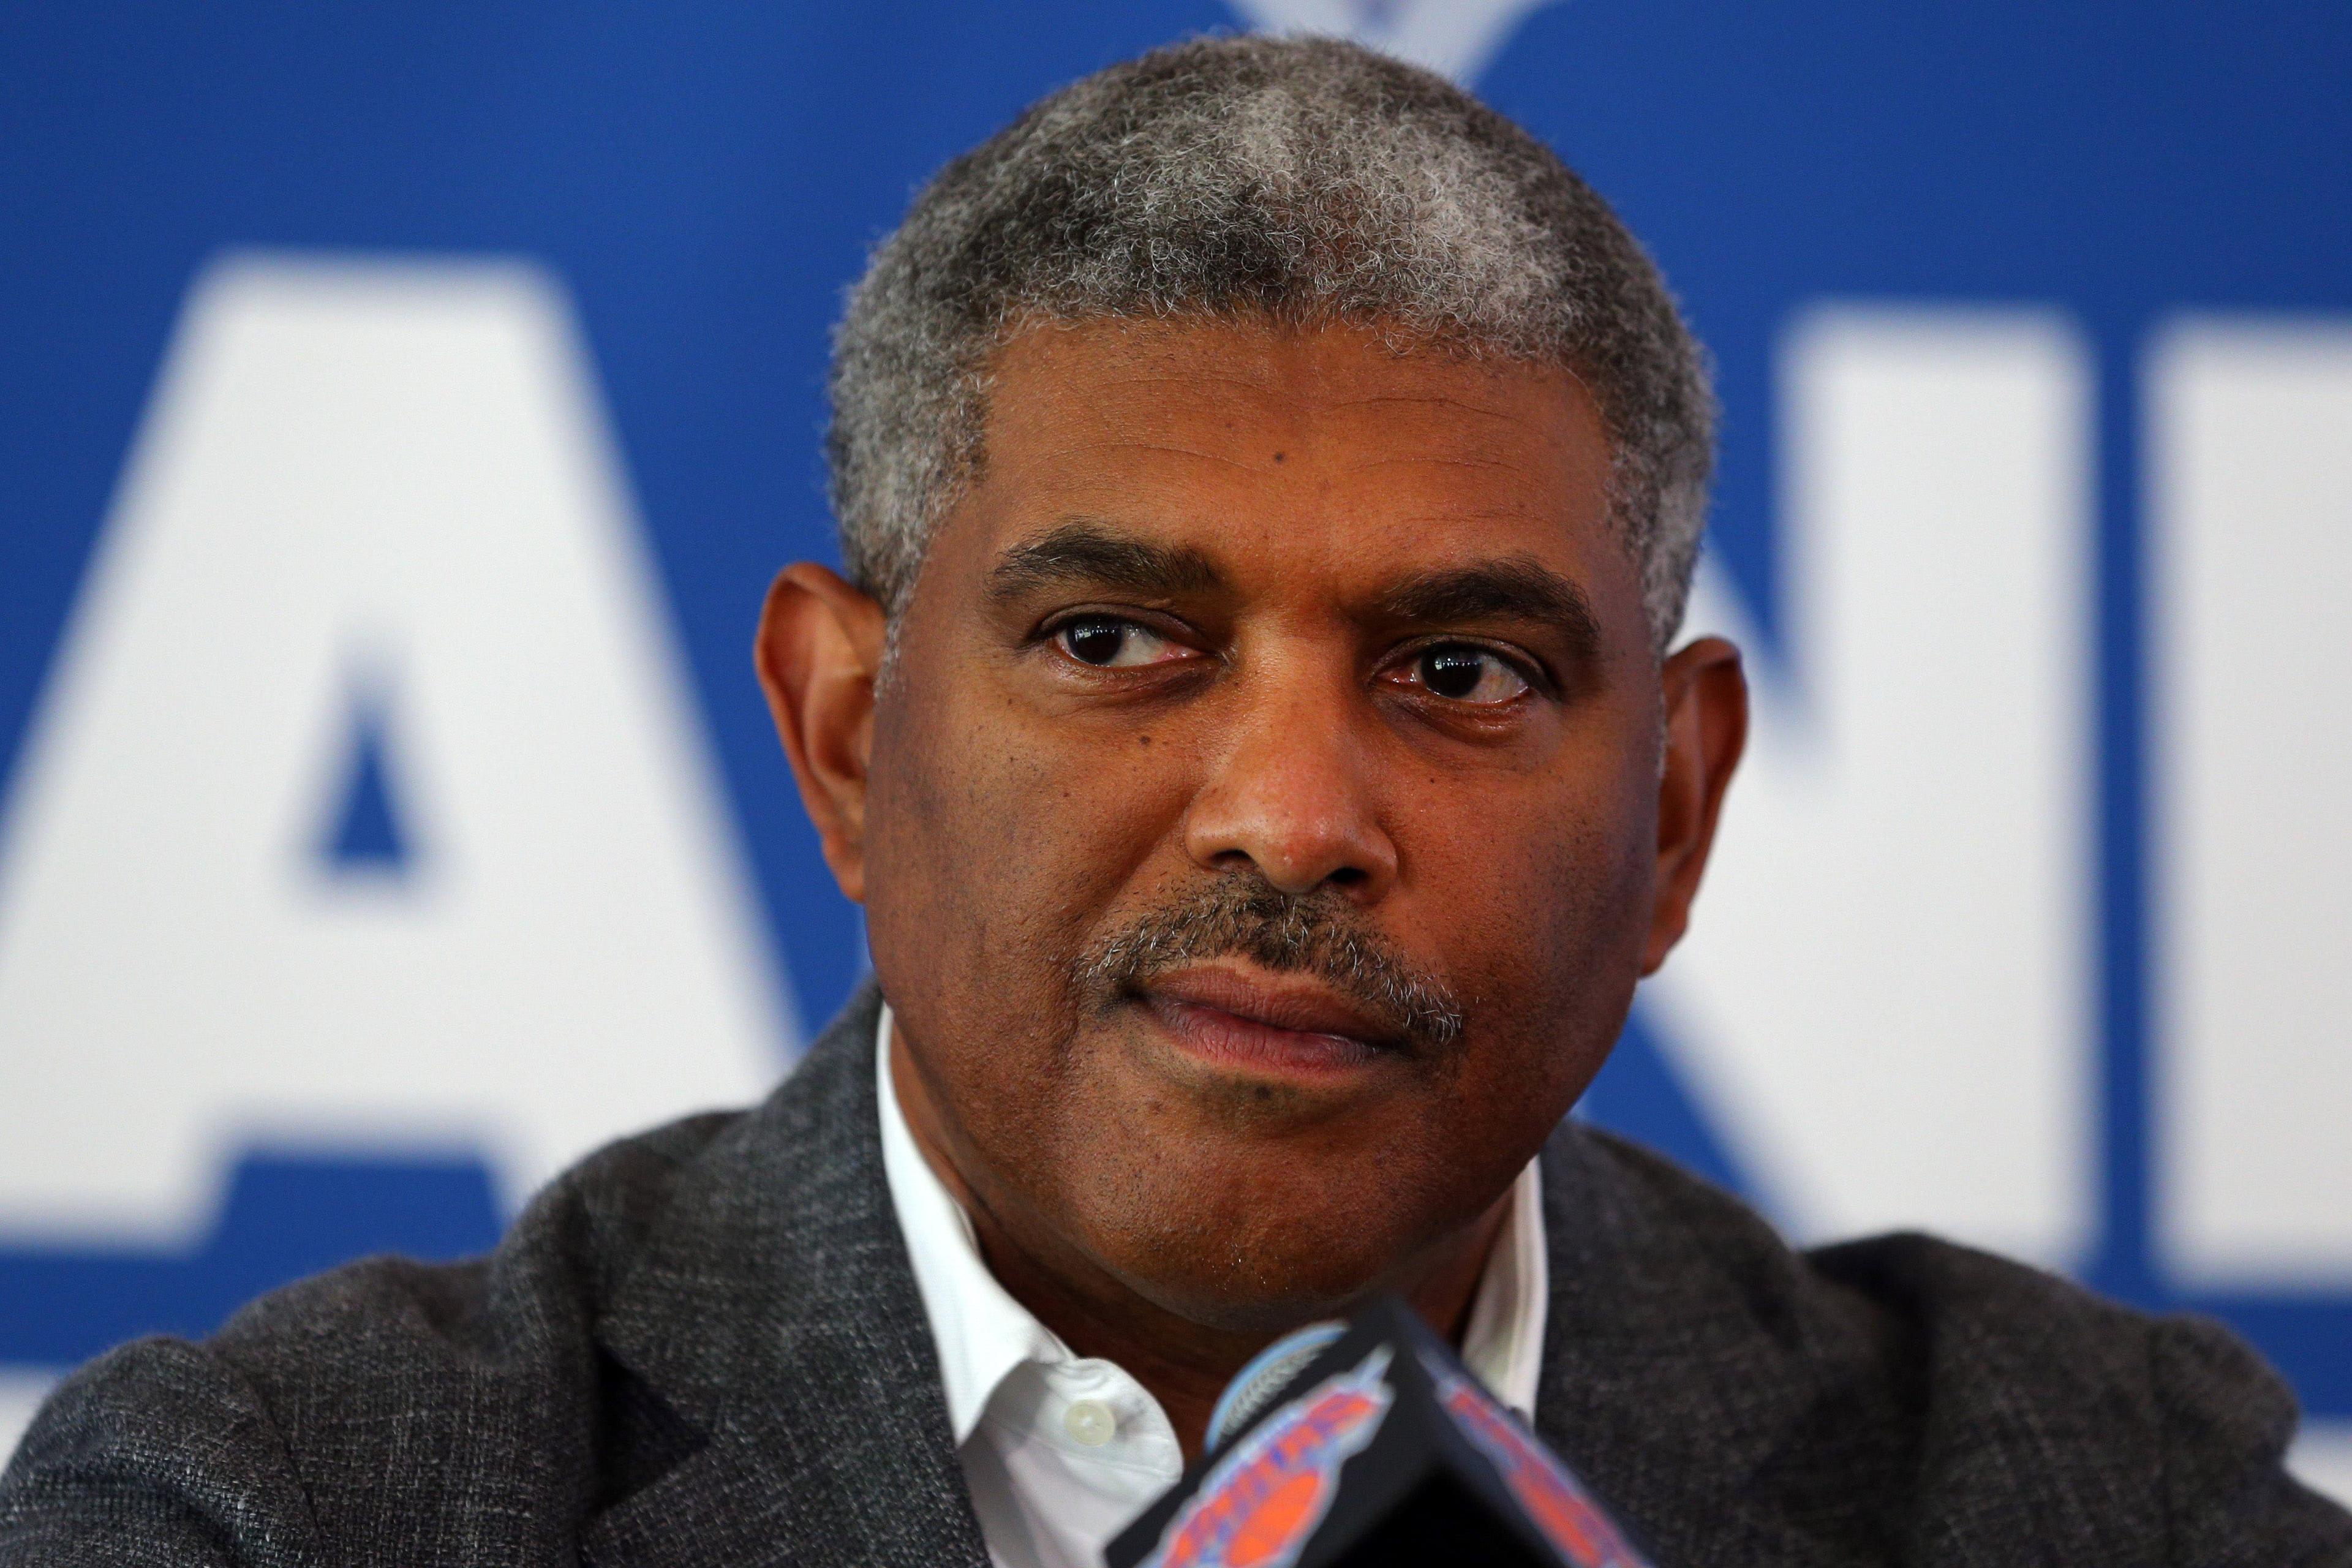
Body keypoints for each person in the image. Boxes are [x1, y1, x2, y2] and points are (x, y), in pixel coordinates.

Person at [4, 34, 2346, 1568]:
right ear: (843, 731)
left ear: (1675, 816)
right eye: (1118, 641)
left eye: (1460, 671)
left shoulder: (2094, 1497)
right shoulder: (285, 1511)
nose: (1292, 813)